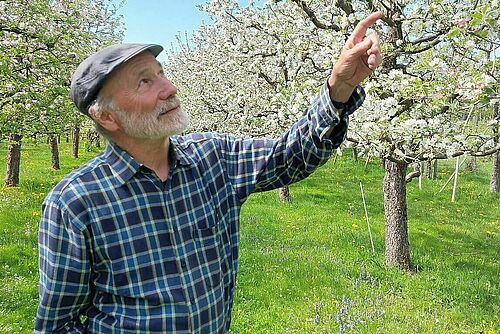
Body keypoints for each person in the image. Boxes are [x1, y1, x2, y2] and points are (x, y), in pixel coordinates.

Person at [35, 12, 383, 334]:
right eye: (144, 82)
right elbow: (59, 324)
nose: (168, 88)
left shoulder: (213, 156)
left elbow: (289, 157)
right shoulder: (74, 204)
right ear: (106, 117)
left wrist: (339, 89)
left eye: (161, 73)